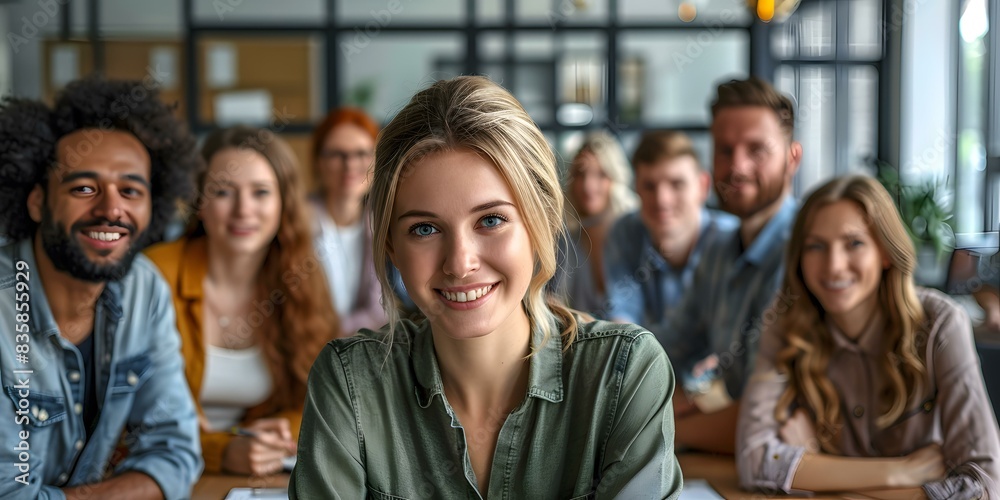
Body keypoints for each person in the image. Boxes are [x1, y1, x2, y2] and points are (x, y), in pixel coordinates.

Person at [290, 76, 682, 498]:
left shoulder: (624, 373)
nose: (460, 263)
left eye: (491, 220)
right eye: (424, 228)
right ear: (390, 245)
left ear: (541, 219)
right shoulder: (349, 383)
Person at [737, 175, 1000, 499]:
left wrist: (817, 467)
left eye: (854, 243)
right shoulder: (786, 322)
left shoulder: (940, 324)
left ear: (886, 252)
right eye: (816, 246)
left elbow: (983, 486)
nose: (833, 266)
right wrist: (901, 472)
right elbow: (754, 460)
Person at [0, 77, 202, 499]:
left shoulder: (143, 288)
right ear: (36, 200)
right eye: (84, 188)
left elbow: (175, 453)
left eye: (130, 190)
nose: (112, 209)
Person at [145, 126, 339, 476]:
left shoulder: (301, 280)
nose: (243, 210)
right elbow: (131, 419)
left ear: (284, 203)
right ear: (199, 203)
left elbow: (319, 400)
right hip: (157, 475)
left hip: (256, 477)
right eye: (223, 192)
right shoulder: (154, 275)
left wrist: (278, 431)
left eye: (261, 192)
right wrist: (224, 451)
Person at [665, 77, 802, 453]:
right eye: (725, 150)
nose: (736, 166)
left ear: (793, 158)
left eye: (757, 149)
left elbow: (773, 418)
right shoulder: (721, 249)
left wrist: (657, 432)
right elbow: (669, 350)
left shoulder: (808, 254)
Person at [603, 130, 738, 326]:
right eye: (649, 186)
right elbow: (623, 316)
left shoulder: (733, 239)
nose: (662, 200)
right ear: (637, 189)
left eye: (677, 184)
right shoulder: (625, 233)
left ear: (703, 185)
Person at [310, 108, 389, 336]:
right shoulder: (295, 223)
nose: (350, 165)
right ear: (318, 161)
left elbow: (380, 312)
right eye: (337, 154)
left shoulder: (385, 225)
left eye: (362, 153)